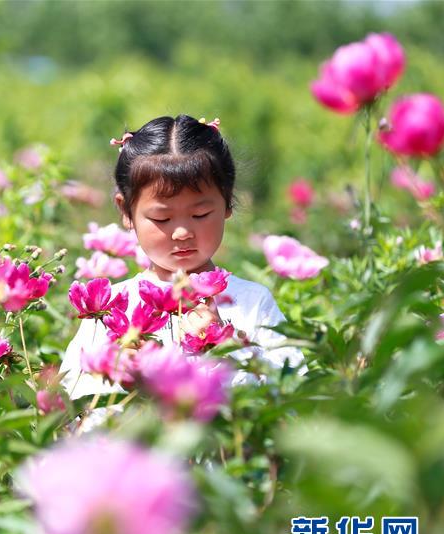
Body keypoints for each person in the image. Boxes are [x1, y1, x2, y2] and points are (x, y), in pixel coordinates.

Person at [60, 114, 303, 402]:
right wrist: (119, 376)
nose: (182, 232)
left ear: (227, 202)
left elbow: (292, 395)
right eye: (162, 218)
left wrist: (223, 345)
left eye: (200, 214)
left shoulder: (251, 303)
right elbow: (73, 407)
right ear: (126, 211)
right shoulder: (110, 310)